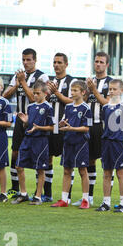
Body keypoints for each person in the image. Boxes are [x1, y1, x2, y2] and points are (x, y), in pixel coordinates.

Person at [3, 48, 49, 200]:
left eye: (29, 59)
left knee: (38, 156)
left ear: (35, 60)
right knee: (15, 153)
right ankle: (16, 189)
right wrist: (16, 84)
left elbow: (34, 98)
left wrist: (22, 82)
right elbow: (5, 96)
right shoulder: (18, 76)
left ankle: (39, 193)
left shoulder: (41, 76)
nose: (26, 62)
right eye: (23, 59)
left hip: (36, 120)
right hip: (20, 119)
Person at [78, 51, 113, 207]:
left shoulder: (111, 82)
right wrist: (88, 91)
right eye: (96, 61)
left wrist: (94, 90)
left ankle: (107, 199)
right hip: (88, 125)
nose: (98, 64)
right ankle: (89, 196)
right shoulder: (89, 81)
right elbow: (83, 101)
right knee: (89, 160)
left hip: (102, 125)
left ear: (107, 65)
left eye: (101, 62)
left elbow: (107, 103)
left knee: (106, 162)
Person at [11, 80, 55, 205]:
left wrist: (39, 128)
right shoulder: (30, 107)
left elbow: (52, 127)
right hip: (28, 139)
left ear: (45, 93)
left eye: (37, 93)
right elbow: (28, 125)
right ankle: (23, 193)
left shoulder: (48, 107)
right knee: (19, 166)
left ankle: (38, 196)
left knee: (40, 169)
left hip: (40, 141)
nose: (35, 96)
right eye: (34, 93)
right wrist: (25, 122)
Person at [51, 80, 92, 208]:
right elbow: (64, 121)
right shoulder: (68, 107)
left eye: (75, 91)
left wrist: (72, 128)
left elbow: (86, 128)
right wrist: (62, 125)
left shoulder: (86, 108)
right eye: (71, 90)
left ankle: (85, 200)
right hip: (68, 142)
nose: (72, 93)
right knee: (67, 170)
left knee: (82, 170)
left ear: (83, 92)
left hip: (80, 143)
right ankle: (64, 199)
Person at [96, 79, 123, 213]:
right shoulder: (105, 107)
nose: (111, 91)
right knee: (106, 173)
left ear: (121, 91)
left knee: (120, 173)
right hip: (106, 143)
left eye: (114, 89)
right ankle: (106, 202)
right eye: (110, 89)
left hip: (118, 144)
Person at [47, 53, 77, 203]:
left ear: (66, 64)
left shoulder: (72, 82)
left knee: (68, 164)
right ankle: (47, 193)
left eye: (59, 62)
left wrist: (56, 92)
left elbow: (73, 102)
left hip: (65, 128)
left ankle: (68, 196)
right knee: (47, 160)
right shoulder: (48, 81)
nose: (56, 65)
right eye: (54, 62)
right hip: (50, 127)